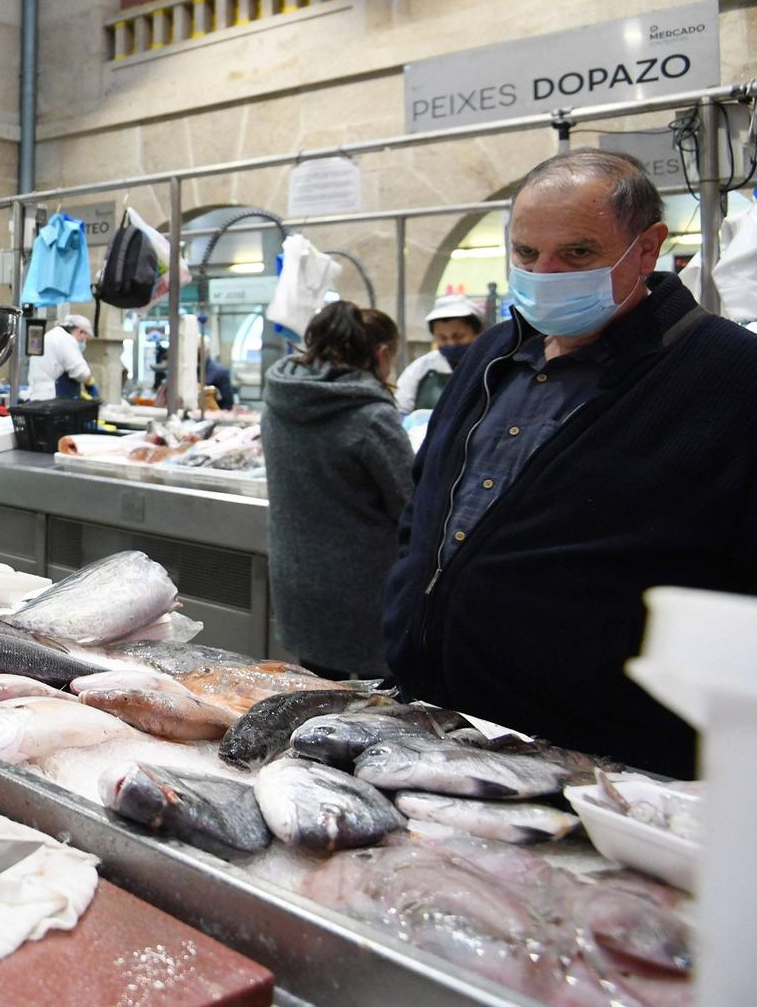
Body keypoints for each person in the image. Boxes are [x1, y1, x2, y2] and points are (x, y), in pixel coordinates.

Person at [384, 150, 757, 777]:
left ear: (647, 248)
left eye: (578, 254)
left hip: (606, 762)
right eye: (527, 255)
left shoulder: (731, 379)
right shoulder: (491, 355)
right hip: (437, 721)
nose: (546, 274)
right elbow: (425, 503)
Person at [262, 301, 413, 680]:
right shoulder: (371, 415)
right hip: (363, 599)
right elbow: (411, 505)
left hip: (298, 584)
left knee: (319, 699)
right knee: (375, 715)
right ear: (381, 355)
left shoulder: (280, 401)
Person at [394, 294, 486, 415]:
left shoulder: (492, 364)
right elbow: (401, 409)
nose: (451, 343)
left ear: (478, 332)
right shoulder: (420, 369)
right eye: (442, 338)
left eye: (458, 336)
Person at [28, 313, 93, 400]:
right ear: (80, 331)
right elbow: (81, 373)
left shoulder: (52, 335)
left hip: (38, 395)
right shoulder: (66, 339)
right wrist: (90, 382)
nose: (84, 343)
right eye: (84, 339)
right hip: (51, 398)